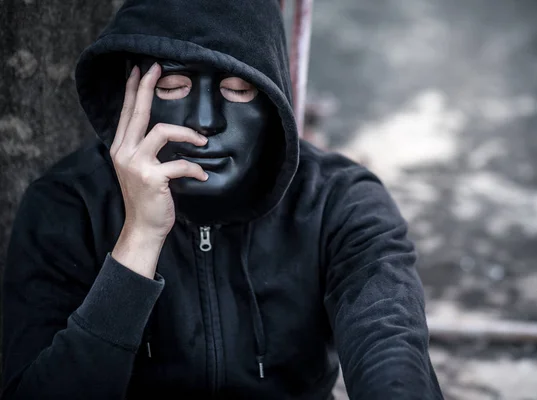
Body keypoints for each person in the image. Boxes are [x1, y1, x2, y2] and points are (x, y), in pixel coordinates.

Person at [1, 0, 444, 399]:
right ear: (128, 95)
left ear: (273, 98)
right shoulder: (67, 206)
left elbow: (390, 346)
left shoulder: (339, 202)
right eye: (173, 86)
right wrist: (138, 241)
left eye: (238, 88)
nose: (206, 121)